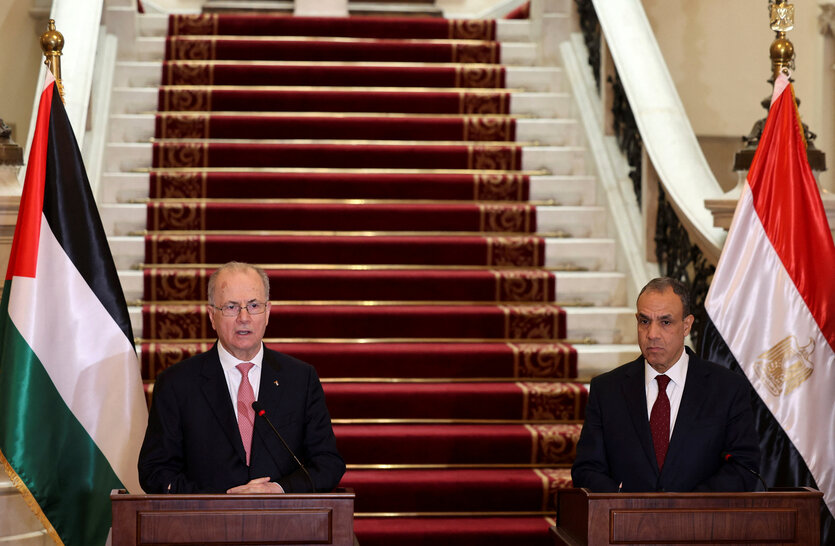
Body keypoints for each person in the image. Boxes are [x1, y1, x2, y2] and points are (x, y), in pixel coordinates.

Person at [138, 261, 345, 494]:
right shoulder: (176, 384)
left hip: (285, 524)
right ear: (211, 316)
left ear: (267, 312)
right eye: (231, 307)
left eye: (254, 305)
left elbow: (328, 463)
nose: (244, 317)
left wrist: (278, 489)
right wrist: (222, 500)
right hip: (204, 526)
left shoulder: (300, 379)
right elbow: (154, 471)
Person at [571, 277, 760, 492]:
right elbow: (586, 469)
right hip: (627, 522)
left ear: (686, 325)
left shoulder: (727, 389)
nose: (652, 334)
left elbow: (743, 467)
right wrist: (622, 504)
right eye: (644, 321)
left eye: (665, 322)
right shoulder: (607, 390)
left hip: (701, 522)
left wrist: (686, 508)